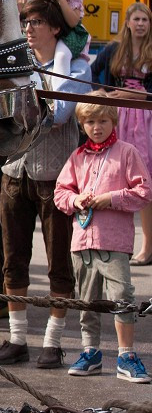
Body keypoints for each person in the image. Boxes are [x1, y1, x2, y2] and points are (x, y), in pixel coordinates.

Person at [0, 0, 92, 368]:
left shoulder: (76, 69)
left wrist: (17, 105)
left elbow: (61, 115)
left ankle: (53, 341)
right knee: (13, 261)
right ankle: (18, 339)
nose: (28, 28)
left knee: (59, 264)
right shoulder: (15, 65)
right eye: (25, 22)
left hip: (56, 180)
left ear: (54, 28)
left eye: (35, 22)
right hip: (15, 174)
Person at [54, 96, 152, 381]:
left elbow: (144, 191)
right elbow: (60, 193)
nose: (97, 127)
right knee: (87, 301)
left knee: (122, 298)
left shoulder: (127, 152)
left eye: (103, 121)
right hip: (82, 243)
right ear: (82, 124)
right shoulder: (77, 157)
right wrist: (76, 200)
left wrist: (113, 198)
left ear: (114, 121)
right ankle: (90, 352)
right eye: (90, 122)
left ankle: (127, 355)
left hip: (115, 242)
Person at [90, 2, 152, 265]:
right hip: (118, 117)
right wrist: (103, 93)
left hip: (145, 118)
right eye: (136, 19)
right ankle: (114, 243)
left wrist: (130, 94)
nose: (140, 24)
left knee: (144, 180)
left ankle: (147, 246)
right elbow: (94, 72)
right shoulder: (114, 49)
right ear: (127, 22)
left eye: (145, 20)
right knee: (116, 178)